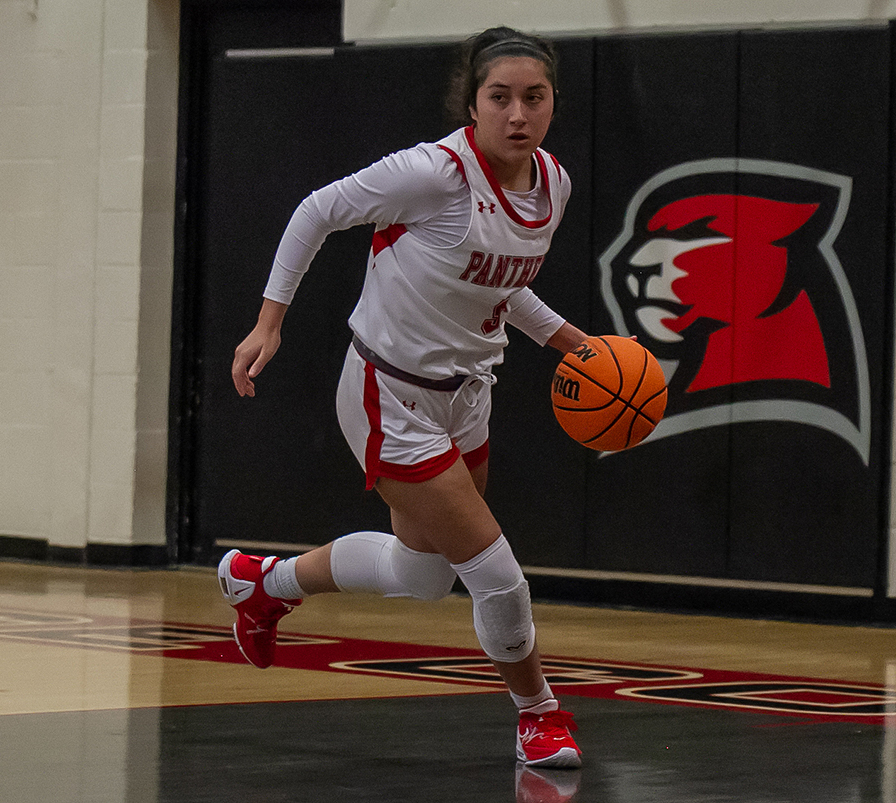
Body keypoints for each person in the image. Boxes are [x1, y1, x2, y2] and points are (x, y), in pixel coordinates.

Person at [219, 25, 589, 769]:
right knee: (497, 575)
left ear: (552, 104)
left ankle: (264, 584)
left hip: (469, 393)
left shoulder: (552, 183)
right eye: (501, 97)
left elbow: (501, 284)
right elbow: (316, 209)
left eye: (534, 98)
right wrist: (270, 321)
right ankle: (538, 712)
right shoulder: (433, 173)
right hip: (389, 393)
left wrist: (573, 342)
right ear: (473, 103)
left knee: (424, 576)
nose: (518, 113)